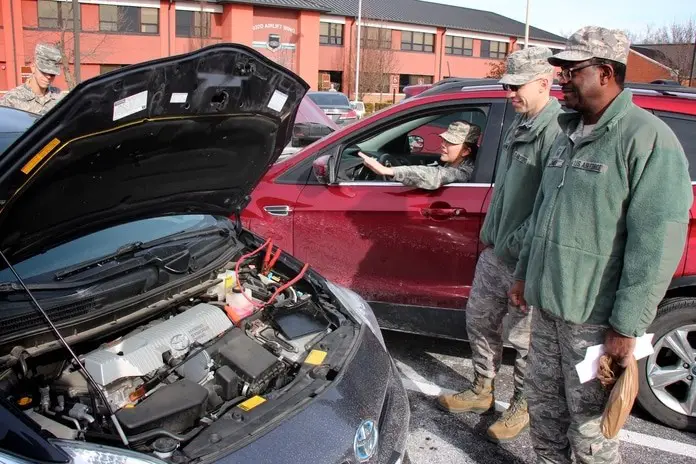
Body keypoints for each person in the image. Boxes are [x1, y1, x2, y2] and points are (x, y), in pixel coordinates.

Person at [509, 26, 692, 463]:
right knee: (545, 412)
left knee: (591, 432)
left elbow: (656, 244)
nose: (561, 79)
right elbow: (542, 216)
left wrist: (626, 326)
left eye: (571, 70)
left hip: (594, 322)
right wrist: (522, 277)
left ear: (606, 72)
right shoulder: (564, 134)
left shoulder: (645, 139)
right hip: (549, 310)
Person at [435, 46, 562, 443]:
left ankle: (522, 404)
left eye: (516, 86)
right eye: (507, 86)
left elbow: (549, 208)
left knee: (525, 339)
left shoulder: (556, 133)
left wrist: (514, 244)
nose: (509, 94)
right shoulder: (520, 124)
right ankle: (482, 389)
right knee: (480, 320)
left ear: (544, 83)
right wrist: (495, 238)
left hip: (528, 257)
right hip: (498, 251)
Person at [357, 120, 480, 190]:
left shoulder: (466, 172)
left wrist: (387, 171)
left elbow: (436, 175)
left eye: (451, 142)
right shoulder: (453, 163)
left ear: (466, 151)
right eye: (444, 140)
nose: (443, 144)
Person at [0, 43, 63, 115]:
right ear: (33, 68)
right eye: (44, 71)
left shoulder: (58, 96)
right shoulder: (11, 99)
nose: (48, 77)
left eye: (52, 74)